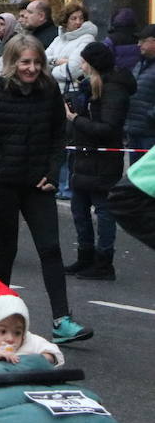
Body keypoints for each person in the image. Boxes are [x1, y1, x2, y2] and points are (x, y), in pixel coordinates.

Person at [0, 34, 92, 344]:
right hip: (1, 184)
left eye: (37, 62)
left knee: (50, 248)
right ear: (11, 63)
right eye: (25, 62)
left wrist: (52, 170)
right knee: (6, 251)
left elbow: (57, 135)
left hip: (38, 183)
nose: (32, 68)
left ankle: (62, 320)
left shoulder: (48, 90)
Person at [64, 42, 134, 281]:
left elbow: (108, 128)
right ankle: (85, 257)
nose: (81, 65)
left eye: (84, 61)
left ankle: (104, 263)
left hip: (102, 159)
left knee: (103, 211)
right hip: (84, 156)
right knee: (79, 209)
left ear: (93, 64)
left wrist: (75, 119)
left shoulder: (113, 89)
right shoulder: (90, 87)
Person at [45, 3, 97, 88]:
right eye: (74, 18)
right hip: (54, 90)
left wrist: (50, 70)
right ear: (65, 21)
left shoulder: (87, 39)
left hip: (73, 92)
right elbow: (41, 59)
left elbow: (72, 70)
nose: (78, 22)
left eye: (81, 18)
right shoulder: (59, 39)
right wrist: (57, 61)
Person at [124, 24, 155, 164]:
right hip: (135, 127)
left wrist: (150, 116)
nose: (139, 44)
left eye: (143, 41)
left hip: (150, 131)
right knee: (134, 175)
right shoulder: (140, 63)